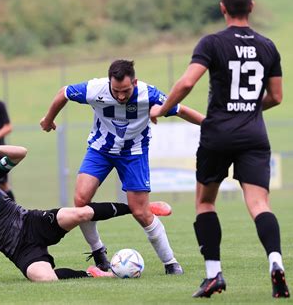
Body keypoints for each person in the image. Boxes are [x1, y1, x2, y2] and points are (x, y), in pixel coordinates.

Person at [150, 0, 290, 298]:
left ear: (222, 7)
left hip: (218, 135)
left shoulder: (212, 43)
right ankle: (275, 261)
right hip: (254, 135)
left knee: (205, 203)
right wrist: (249, 109)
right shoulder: (268, 46)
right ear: (251, 7)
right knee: (258, 204)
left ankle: (214, 275)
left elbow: (187, 82)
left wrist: (161, 109)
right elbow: (276, 97)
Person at [40, 59, 205, 275]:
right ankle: (99, 252)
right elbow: (64, 92)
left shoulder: (149, 94)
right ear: (109, 82)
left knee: (141, 212)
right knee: (80, 201)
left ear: (134, 82)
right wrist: (49, 119)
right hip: (101, 150)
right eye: (115, 90)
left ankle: (170, 262)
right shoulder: (95, 89)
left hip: (133, 153)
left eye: (125, 90)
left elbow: (181, 110)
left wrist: (212, 125)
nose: (120, 96)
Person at [0, 138, 160, 285]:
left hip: (32, 222)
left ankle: (137, 208)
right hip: (18, 250)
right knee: (45, 278)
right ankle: (94, 273)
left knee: (79, 214)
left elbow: (21, 152)